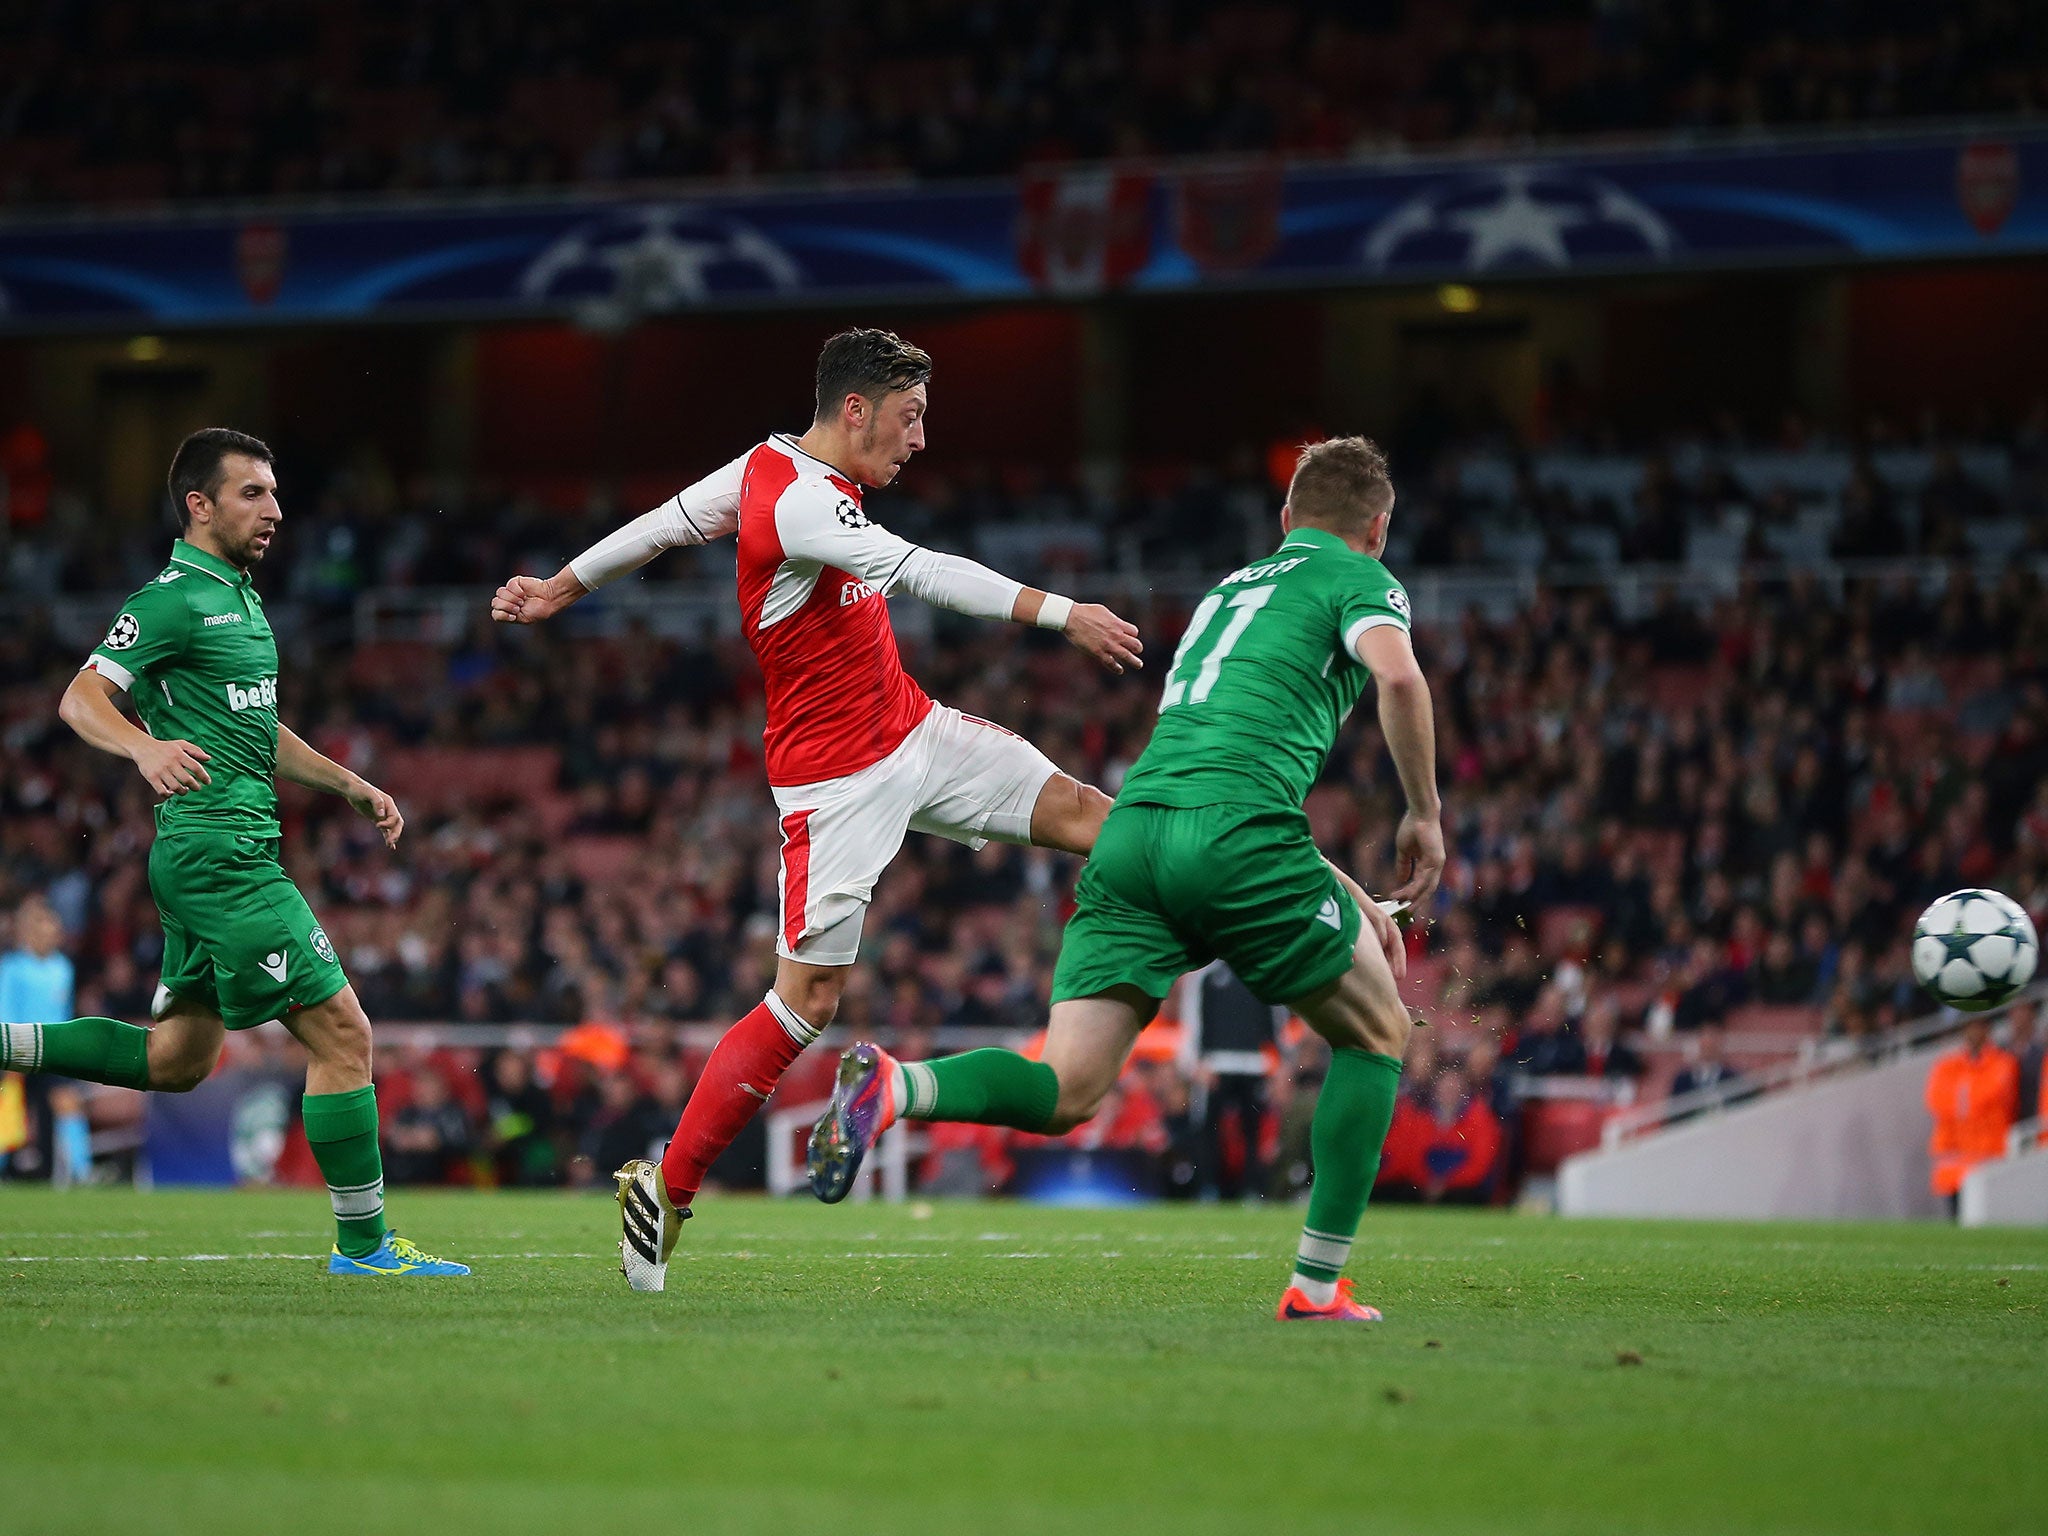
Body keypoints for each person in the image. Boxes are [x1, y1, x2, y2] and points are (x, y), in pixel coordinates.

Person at [492, 329, 1142, 1292]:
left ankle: (1214, 933)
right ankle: (665, 1192)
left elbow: (664, 525)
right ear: (855, 410)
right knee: (807, 1002)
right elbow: (923, 572)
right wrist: (1063, 612)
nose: (919, 442)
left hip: (913, 730)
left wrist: (560, 586)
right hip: (835, 784)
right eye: (911, 418)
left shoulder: (766, 469)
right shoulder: (802, 504)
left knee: (1096, 818)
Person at [808, 436, 1445, 1323]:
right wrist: (1423, 815)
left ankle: (899, 1086)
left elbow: (1209, 764)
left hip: (1136, 834)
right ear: (1376, 529)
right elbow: (1400, 680)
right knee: (1377, 1032)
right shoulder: (1361, 579)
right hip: (1237, 838)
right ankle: (1314, 1286)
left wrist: (1329, 880)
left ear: (1287, 519)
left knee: (1065, 1088)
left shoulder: (1233, 589)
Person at [0, 429, 466, 1276]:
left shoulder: (240, 599)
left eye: (276, 493)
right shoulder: (174, 598)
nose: (276, 511)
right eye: (253, 493)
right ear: (199, 505)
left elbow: (258, 730)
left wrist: (347, 782)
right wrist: (142, 748)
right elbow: (80, 698)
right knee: (342, 1035)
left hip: (214, 855)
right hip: (224, 859)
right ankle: (363, 1248)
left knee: (176, 1060)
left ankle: (9, 1042)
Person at [1180, 961, 1285, 1200]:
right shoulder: (1206, 975)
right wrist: (1195, 1062)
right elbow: (1193, 1020)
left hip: (1254, 1064)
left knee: (1253, 1130)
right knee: (1207, 1128)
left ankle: (1251, 1190)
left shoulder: (1260, 972)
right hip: (1215, 1065)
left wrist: (1279, 1063)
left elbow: (1275, 1020)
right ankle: (1208, 1187)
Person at [0, 898, 86, 1183]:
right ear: (28, 932)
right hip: (19, 1048)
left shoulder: (63, 968)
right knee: (8, 1108)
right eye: (43, 925)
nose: (51, 931)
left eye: (53, 925)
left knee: (67, 1103)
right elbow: (6, 1009)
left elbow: (63, 1014)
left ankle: (80, 1172)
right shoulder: (13, 967)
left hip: (52, 1049)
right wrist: (10, 1054)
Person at [1925, 1015, 2020, 1216]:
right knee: (1956, 1218)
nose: (1974, 1032)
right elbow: (1935, 1100)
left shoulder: (2003, 1062)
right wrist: (1968, 1099)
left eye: (1979, 1026)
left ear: (1988, 1030)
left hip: (1989, 1156)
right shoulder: (1947, 1064)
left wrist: (1961, 1097)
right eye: (1970, 1027)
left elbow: (1990, 1094)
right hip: (1954, 1158)